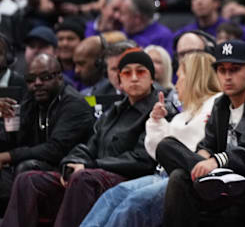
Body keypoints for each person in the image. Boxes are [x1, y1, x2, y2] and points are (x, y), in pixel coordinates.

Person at [2, 48, 169, 226]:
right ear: (119, 80)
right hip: (94, 174)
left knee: (83, 178)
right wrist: (71, 162)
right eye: (127, 73)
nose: (134, 78)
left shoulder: (158, 111)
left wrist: (89, 165)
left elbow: (142, 160)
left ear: (152, 78)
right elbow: (89, 146)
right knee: (27, 179)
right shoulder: (114, 111)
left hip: (129, 178)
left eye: (141, 72)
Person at [78, 52, 221, 227]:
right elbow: (156, 151)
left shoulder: (216, 104)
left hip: (184, 179)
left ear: (193, 78)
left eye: (180, 77)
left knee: (133, 204)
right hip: (161, 174)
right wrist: (156, 121)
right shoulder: (183, 115)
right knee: (112, 196)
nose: (176, 84)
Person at [157, 40, 245, 226]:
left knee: (180, 175)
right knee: (169, 153)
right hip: (218, 189)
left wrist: (218, 160)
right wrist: (201, 157)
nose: (227, 76)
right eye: (222, 70)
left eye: (234, 69)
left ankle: (218, 179)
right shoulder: (221, 104)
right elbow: (208, 144)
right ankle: (215, 179)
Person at [0, 54, 94, 212]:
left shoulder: (74, 105)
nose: (37, 83)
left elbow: (55, 150)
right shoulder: (32, 101)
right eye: (31, 79)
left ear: (60, 77)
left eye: (45, 77)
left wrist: (8, 156)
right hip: (37, 165)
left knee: (27, 168)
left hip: (68, 170)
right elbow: (13, 140)